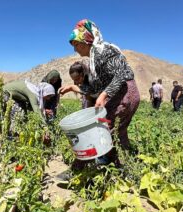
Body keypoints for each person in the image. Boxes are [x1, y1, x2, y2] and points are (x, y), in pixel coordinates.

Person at [59, 19, 140, 166]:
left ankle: (115, 167)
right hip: (120, 94)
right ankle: (126, 163)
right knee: (116, 131)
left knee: (106, 130)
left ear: (87, 39)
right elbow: (93, 89)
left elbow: (122, 73)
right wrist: (72, 88)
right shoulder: (94, 57)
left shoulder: (104, 50)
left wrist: (104, 95)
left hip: (124, 94)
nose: (75, 49)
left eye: (76, 44)